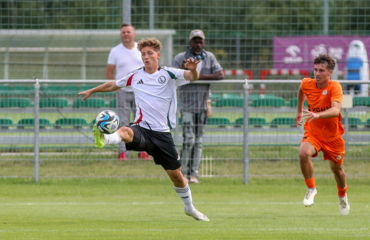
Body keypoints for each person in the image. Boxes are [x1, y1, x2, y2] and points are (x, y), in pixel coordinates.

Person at [79, 38, 209, 221]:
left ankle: (189, 208)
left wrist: (193, 69)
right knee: (125, 131)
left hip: (163, 134)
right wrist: (92, 90)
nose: (146, 57)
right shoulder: (135, 76)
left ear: (158, 55)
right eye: (143, 54)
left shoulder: (169, 74)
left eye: (149, 53)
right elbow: (113, 84)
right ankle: (104, 139)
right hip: (142, 128)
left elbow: (191, 77)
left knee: (177, 176)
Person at [295, 54, 350, 215]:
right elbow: (301, 89)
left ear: (330, 72)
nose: (317, 73)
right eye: (315, 69)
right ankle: (311, 188)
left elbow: (336, 110)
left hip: (333, 137)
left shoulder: (335, 87)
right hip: (313, 132)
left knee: (337, 171)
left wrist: (317, 115)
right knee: (303, 153)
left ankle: (342, 195)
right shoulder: (307, 83)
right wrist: (299, 111)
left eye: (321, 70)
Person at [172, 29, 224, 184]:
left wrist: (197, 77)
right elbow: (172, 76)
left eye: (200, 41)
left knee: (199, 141)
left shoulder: (210, 58)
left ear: (204, 43)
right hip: (187, 104)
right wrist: (183, 71)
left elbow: (220, 75)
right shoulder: (180, 58)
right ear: (190, 43)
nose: (198, 44)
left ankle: (194, 174)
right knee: (189, 139)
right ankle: (183, 173)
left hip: (203, 105)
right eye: (195, 41)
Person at [106, 23, 150, 161]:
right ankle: (123, 152)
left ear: (134, 34)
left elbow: (149, 68)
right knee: (123, 122)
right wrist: (117, 87)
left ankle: (142, 151)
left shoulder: (141, 50)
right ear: (121, 35)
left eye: (128, 32)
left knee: (141, 122)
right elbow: (109, 72)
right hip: (123, 92)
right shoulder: (115, 51)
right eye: (123, 32)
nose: (126, 34)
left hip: (140, 92)